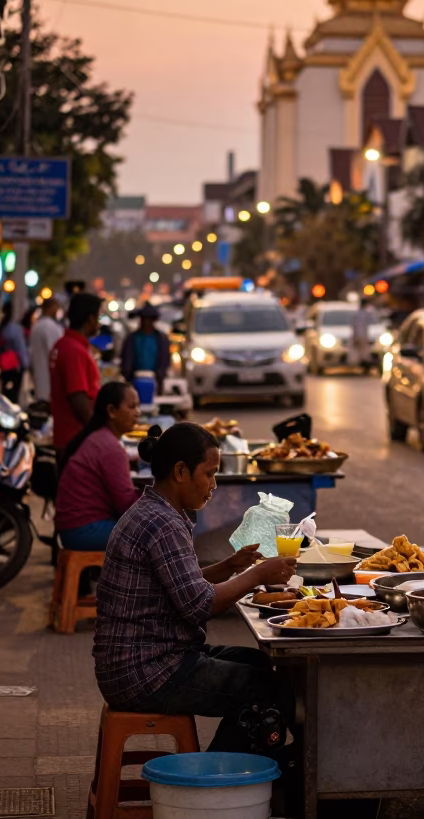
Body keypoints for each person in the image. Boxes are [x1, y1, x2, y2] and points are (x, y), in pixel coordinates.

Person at [93, 423, 298, 755]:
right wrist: (258, 574)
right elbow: (200, 605)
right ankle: (218, 783)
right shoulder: (163, 523)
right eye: (209, 474)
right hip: (146, 671)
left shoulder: (155, 511)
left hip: (141, 661)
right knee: (261, 688)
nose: (213, 485)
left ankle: (256, 772)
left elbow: (178, 585)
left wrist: (229, 567)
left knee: (260, 664)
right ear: (180, 472)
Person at [55, 382, 142, 550]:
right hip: (83, 530)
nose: (137, 413)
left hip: (73, 527)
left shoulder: (100, 438)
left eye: (138, 406)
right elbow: (126, 505)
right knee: (158, 534)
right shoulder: (110, 447)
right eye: (131, 407)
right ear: (112, 411)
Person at [49, 292, 102, 457]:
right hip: (76, 441)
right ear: (90, 319)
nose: (99, 323)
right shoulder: (74, 350)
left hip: (69, 438)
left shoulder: (64, 344)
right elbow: (79, 400)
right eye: (98, 317)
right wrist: (101, 435)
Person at [120, 305, 170, 388]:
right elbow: (126, 359)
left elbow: (165, 360)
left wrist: (160, 376)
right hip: (134, 379)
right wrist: (127, 375)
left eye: (149, 319)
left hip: (154, 380)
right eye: (144, 319)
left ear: (154, 320)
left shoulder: (161, 339)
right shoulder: (132, 338)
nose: (146, 322)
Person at [30, 296, 63, 402]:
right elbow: (55, 353)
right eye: (56, 307)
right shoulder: (50, 327)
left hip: (39, 376)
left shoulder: (37, 326)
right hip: (50, 380)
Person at [0, 301, 30, 402]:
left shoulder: (1, 327)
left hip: (3, 363)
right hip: (15, 365)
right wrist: (25, 363)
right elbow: (20, 347)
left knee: (5, 390)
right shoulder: (15, 328)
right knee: (14, 393)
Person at [350, 300, 377, 370]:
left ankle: (363, 365)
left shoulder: (358, 314)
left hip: (361, 334)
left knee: (362, 351)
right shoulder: (366, 313)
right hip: (363, 335)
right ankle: (363, 364)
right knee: (363, 351)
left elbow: (353, 326)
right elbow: (374, 321)